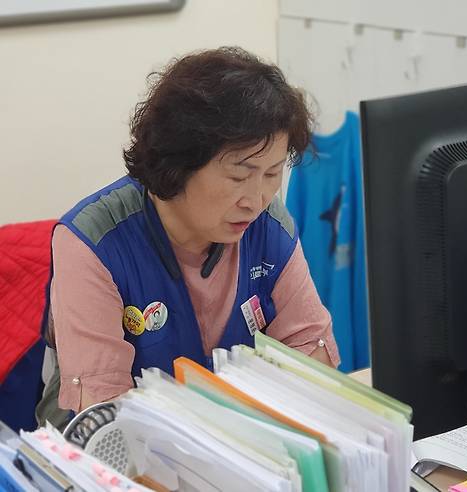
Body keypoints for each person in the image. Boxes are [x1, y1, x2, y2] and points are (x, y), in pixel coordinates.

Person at [36, 47, 340, 428]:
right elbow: (106, 417)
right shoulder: (94, 242)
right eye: (238, 175)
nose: (256, 200)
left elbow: (313, 358)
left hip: (240, 446)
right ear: (179, 164)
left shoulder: (267, 223)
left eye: (272, 173)